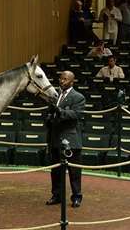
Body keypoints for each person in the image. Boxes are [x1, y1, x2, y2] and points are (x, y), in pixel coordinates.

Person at [45, 71, 85, 208]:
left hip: (71, 140)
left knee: (74, 172)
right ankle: (57, 195)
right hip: (55, 139)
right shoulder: (55, 97)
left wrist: (60, 112)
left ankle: (76, 197)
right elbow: (49, 115)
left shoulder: (78, 97)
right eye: (61, 78)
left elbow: (76, 114)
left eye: (65, 79)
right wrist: (48, 118)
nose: (62, 81)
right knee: (55, 171)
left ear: (72, 82)